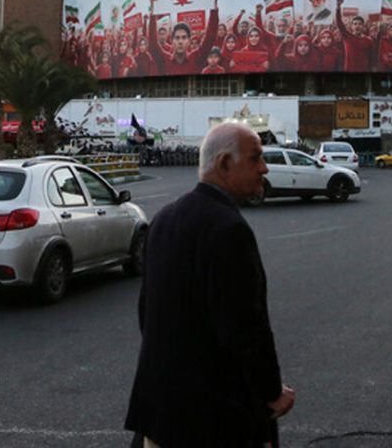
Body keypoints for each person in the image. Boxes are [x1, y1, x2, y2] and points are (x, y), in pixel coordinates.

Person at [125, 122, 295, 447]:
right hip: (210, 422)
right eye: (255, 158)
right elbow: (246, 330)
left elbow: (148, 314)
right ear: (225, 164)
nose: (264, 167)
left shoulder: (163, 219)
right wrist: (271, 392)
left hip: (160, 416)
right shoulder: (229, 229)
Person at [146, 0, 221, 75]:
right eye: (177, 38)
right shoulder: (164, 60)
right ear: (172, 41)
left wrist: (214, 2)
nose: (180, 41)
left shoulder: (197, 58)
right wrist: (153, 7)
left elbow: (210, 37)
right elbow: (152, 43)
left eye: (184, 37)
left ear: (189, 41)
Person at [335, 0, 376, 72]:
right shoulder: (347, 36)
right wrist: (338, 7)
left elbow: (372, 58)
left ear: (363, 26)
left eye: (360, 24)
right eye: (355, 24)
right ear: (351, 26)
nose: (357, 26)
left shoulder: (369, 40)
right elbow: (339, 23)